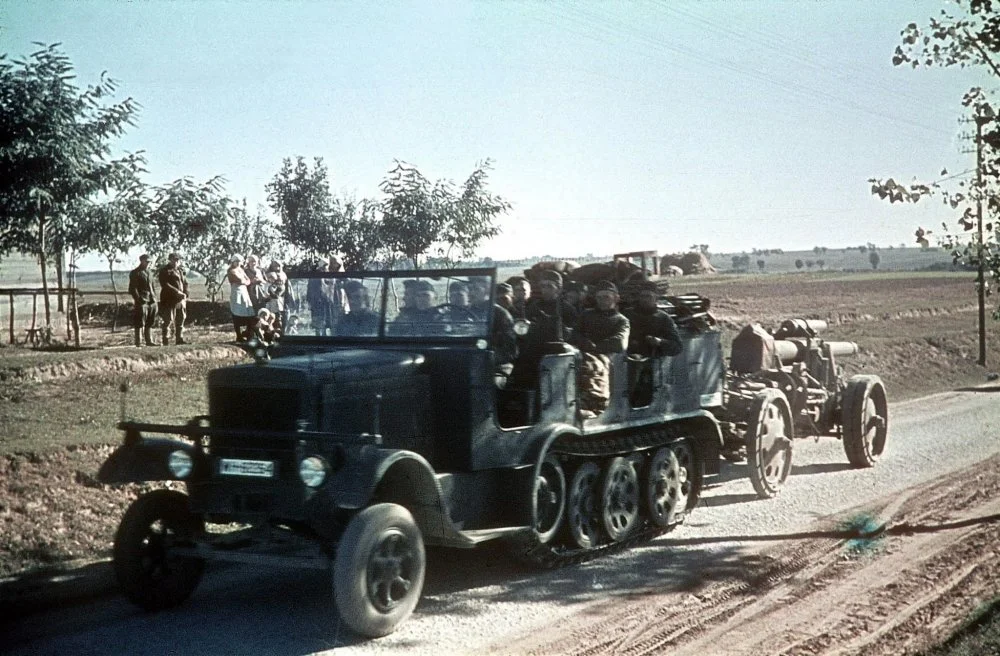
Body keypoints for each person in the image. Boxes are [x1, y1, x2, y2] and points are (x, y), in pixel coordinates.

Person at [574, 280, 630, 417]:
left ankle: (596, 405)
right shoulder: (586, 315)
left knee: (593, 366)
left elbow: (620, 343)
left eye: (606, 297)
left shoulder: (621, 320)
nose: (602, 300)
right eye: (599, 297)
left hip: (608, 358)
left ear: (616, 298)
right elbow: (573, 334)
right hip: (583, 354)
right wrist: (584, 343)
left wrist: (596, 347)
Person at [625, 280, 682, 358]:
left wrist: (660, 342)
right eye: (642, 296)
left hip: (652, 362)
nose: (645, 300)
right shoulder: (627, 315)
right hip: (628, 360)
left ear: (656, 298)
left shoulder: (663, 318)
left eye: (648, 296)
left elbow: (677, 347)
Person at [525, 270, 577, 343]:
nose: (545, 290)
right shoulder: (534, 306)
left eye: (550, 287)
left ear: (559, 289)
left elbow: (573, 334)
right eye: (543, 286)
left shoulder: (568, 308)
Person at [158, 252, 189, 345]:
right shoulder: (165, 271)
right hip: (169, 298)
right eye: (174, 259)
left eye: (178, 260)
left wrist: (186, 293)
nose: (176, 261)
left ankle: (179, 339)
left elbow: (185, 283)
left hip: (181, 299)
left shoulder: (180, 271)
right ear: (170, 260)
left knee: (181, 318)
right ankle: (166, 340)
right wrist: (177, 292)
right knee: (168, 319)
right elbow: (165, 284)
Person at [128, 254, 157, 347]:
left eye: (150, 262)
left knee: (150, 320)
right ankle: (139, 342)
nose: (149, 263)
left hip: (152, 300)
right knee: (140, 321)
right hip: (142, 300)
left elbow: (152, 286)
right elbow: (132, 289)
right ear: (142, 261)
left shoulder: (150, 273)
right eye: (147, 261)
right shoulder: (135, 273)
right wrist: (139, 299)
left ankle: (149, 341)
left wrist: (155, 298)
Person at [227, 255, 256, 342]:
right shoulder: (231, 271)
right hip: (236, 292)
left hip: (244, 292)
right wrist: (244, 281)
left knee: (249, 312)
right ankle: (238, 335)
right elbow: (239, 280)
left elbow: (247, 281)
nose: (238, 263)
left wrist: (245, 281)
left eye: (240, 261)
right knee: (236, 312)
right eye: (236, 261)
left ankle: (248, 333)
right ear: (233, 262)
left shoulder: (241, 270)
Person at [264, 260, 289, 331]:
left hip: (281, 296)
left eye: (278, 266)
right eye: (275, 266)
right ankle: (271, 330)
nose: (277, 267)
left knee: (280, 314)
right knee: (272, 314)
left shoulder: (283, 274)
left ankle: (280, 330)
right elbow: (268, 285)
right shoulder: (270, 274)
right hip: (272, 297)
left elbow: (284, 285)